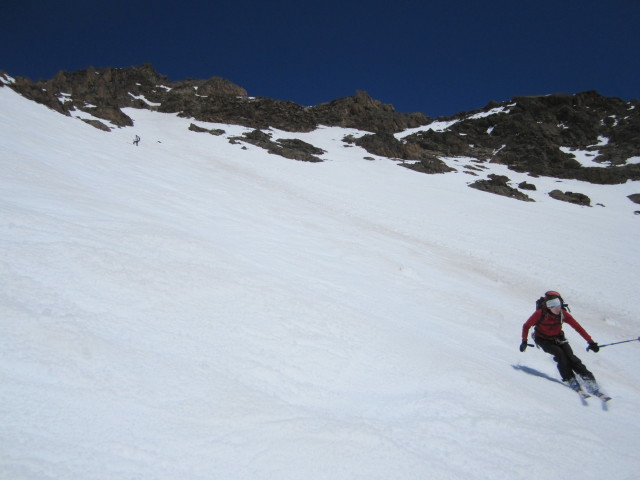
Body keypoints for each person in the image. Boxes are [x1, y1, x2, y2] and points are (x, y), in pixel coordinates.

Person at [520, 290, 601, 393]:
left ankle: (588, 378)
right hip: (543, 339)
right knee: (560, 355)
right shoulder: (540, 313)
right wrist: (524, 341)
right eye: (553, 305)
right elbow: (526, 326)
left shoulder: (563, 314)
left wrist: (591, 342)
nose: (557, 308)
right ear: (547, 305)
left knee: (571, 357)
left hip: (558, 338)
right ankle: (569, 378)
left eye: (558, 304)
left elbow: (578, 328)